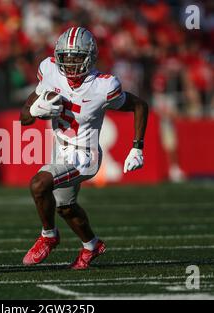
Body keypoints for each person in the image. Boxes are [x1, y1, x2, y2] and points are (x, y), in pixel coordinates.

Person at [19, 27, 149, 270]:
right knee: (65, 208)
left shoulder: (104, 86)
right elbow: (24, 117)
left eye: (76, 56)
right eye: (65, 57)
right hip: (60, 149)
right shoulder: (49, 70)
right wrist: (35, 111)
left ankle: (48, 236)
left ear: (89, 57)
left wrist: (137, 147)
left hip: (85, 156)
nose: (69, 62)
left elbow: (139, 105)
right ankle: (92, 245)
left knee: (39, 184)